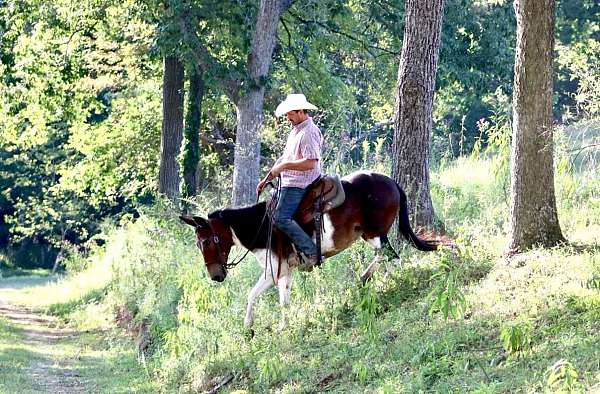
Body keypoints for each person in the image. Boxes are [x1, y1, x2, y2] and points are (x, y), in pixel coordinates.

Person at [256, 94, 323, 268]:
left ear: (301, 111)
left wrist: (284, 166)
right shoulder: (297, 130)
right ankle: (287, 251)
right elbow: (285, 157)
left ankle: (311, 252)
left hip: (301, 183)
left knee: (280, 217)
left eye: (290, 114)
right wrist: (267, 178)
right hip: (289, 181)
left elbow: (311, 162)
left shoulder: (308, 132)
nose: (288, 117)